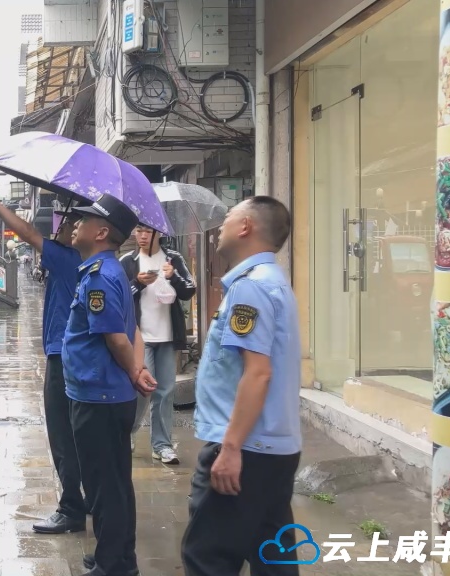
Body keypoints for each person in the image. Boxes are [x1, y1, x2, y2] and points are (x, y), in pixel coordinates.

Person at [180, 196, 301, 576]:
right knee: (271, 557)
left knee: (207, 556)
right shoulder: (272, 281)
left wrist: (230, 449)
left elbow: (258, 372)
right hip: (274, 447)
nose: (219, 227)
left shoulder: (252, 288)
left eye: (228, 219)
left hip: (246, 448)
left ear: (246, 227)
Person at [0, 182, 90, 534]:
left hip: (61, 355)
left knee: (62, 435)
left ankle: (71, 508)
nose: (63, 229)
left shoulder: (67, 259)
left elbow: (25, 231)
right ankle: (90, 499)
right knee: (84, 435)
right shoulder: (102, 265)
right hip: (84, 357)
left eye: (70, 225)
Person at [64, 194, 157, 576]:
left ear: (101, 232)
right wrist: (135, 370)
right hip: (107, 393)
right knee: (114, 481)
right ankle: (118, 556)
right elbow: (131, 325)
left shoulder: (100, 277)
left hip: (98, 395)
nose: (74, 224)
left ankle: (111, 566)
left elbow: (117, 337)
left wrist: (134, 370)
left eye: (82, 220)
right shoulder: (111, 270)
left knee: (104, 486)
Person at [120, 225, 196, 464]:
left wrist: (172, 276)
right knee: (142, 390)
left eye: (147, 231)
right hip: (140, 337)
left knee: (165, 391)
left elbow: (189, 289)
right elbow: (119, 294)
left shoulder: (173, 258)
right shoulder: (128, 261)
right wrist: (138, 283)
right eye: (138, 231)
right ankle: (127, 433)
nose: (141, 236)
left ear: (159, 233)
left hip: (167, 336)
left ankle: (162, 444)